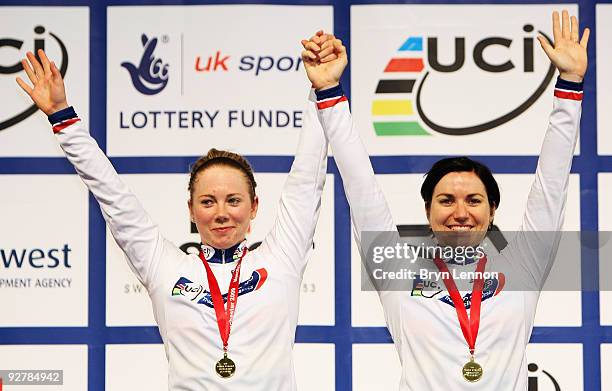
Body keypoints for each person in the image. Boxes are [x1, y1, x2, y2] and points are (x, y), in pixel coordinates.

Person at [301, 10, 588, 389]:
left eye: (473, 200)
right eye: (446, 200)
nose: (460, 213)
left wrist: (570, 84)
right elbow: (360, 186)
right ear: (428, 210)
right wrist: (329, 92)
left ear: (492, 211)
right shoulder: (397, 271)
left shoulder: (523, 267)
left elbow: (552, 183)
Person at [16, 49, 328, 390]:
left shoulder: (281, 258)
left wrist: (322, 91)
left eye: (233, 200)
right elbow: (113, 195)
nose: (221, 212)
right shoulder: (164, 266)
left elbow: (306, 183)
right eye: (208, 201)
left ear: (254, 207)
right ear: (191, 210)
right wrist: (63, 117)